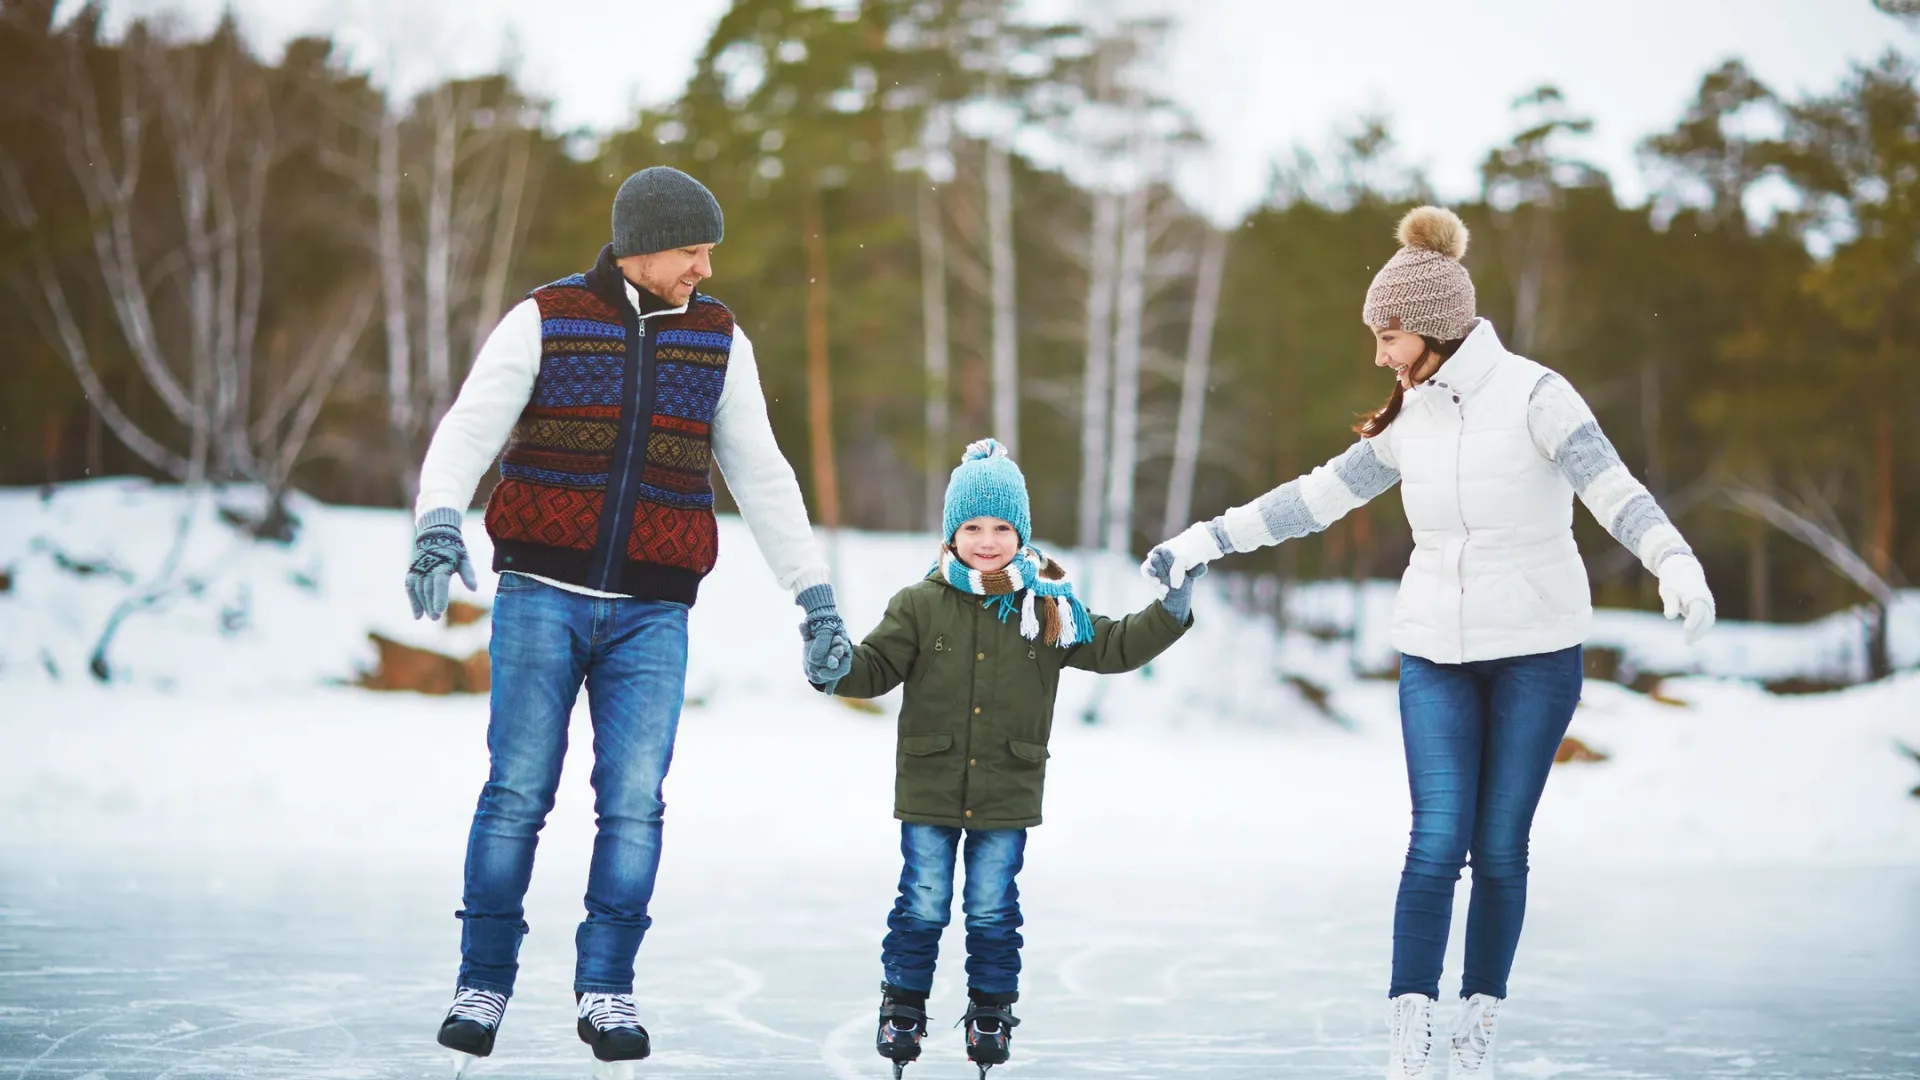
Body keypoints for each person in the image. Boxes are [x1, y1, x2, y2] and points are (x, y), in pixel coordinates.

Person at [1143, 206, 1716, 1080]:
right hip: (1434, 653)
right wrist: (1206, 539)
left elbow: (1611, 486)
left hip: (1535, 651)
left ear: (1436, 326)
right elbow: (1315, 497)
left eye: (1390, 333)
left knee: (1501, 847)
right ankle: (1411, 1047)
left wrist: (1671, 558)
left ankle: (1474, 1031)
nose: (1379, 353)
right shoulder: (1414, 416)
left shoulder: (1535, 395)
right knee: (1435, 838)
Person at [400, 166, 855, 1077]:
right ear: (645, 243)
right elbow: (467, 429)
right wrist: (438, 520)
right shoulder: (548, 318)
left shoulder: (720, 342)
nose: (705, 268)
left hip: (654, 612)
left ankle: (607, 987)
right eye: (693, 250)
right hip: (541, 596)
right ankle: (481, 981)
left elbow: (762, 474)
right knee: (516, 794)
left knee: (634, 806)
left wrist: (814, 596)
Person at [825, 439, 1198, 1079]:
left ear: (1021, 533)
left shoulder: (1045, 605)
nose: (987, 540)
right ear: (951, 534)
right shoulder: (920, 603)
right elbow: (874, 667)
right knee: (923, 898)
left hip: (1007, 784)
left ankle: (991, 1009)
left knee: (994, 905)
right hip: (932, 782)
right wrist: (832, 667)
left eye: (1001, 527)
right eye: (972, 526)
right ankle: (904, 1003)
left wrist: (1171, 611)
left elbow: (1112, 645)